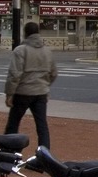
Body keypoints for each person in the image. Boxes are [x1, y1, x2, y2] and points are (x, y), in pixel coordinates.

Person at [5, 21, 58, 149]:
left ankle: (8, 152)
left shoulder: (20, 50)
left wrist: (9, 93)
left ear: (25, 33)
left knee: (13, 124)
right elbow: (54, 73)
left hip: (23, 92)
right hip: (41, 92)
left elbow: (14, 74)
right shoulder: (47, 51)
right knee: (41, 126)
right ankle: (44, 155)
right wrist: (45, 85)